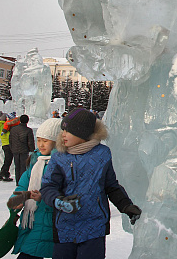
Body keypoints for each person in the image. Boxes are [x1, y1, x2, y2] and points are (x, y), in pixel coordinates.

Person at [41, 108, 142, 259]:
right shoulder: (59, 157)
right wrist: (59, 201)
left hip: (94, 227)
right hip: (65, 226)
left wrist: (126, 206)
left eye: (68, 131)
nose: (63, 134)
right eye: (63, 130)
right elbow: (48, 186)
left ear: (82, 133)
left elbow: (111, 186)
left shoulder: (102, 154)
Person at [7, 118, 62, 259]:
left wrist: (43, 198)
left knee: (31, 253)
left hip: (49, 221)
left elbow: (63, 193)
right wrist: (16, 200)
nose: (41, 145)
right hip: (32, 220)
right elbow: (22, 186)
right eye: (39, 140)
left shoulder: (61, 164)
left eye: (46, 141)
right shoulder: (35, 162)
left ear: (57, 142)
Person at [9, 114, 35, 185]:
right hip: (24, 150)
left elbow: (10, 140)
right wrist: (32, 150)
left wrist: (12, 148)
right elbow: (30, 142)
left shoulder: (13, 129)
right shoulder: (28, 130)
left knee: (17, 166)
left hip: (15, 150)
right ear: (27, 121)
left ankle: (18, 181)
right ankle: (22, 181)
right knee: (23, 166)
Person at [0, 112, 14, 182]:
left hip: (4, 144)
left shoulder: (0, 125)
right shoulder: (5, 125)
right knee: (8, 161)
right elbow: (8, 135)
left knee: (7, 160)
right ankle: (5, 174)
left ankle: (2, 173)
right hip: (8, 144)